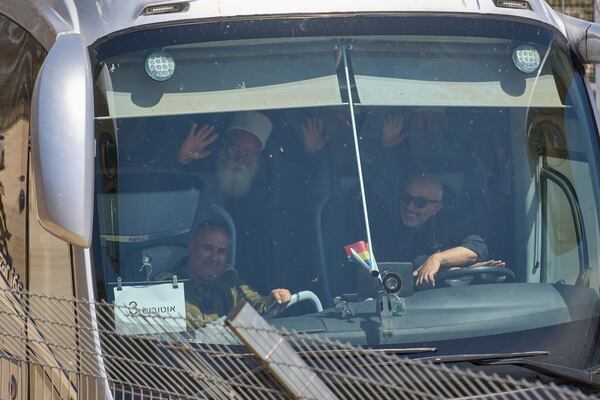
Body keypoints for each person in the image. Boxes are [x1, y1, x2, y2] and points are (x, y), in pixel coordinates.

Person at [156, 221, 291, 322]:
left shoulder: (229, 279)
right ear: (191, 247)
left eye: (221, 251)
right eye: (207, 248)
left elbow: (257, 306)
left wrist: (276, 298)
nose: (214, 258)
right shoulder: (165, 286)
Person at [375, 174, 496, 287]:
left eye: (419, 203)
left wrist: (438, 259)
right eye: (406, 199)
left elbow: (477, 247)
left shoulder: (448, 223)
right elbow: (405, 272)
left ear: (436, 208)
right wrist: (465, 271)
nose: (409, 207)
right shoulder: (386, 228)